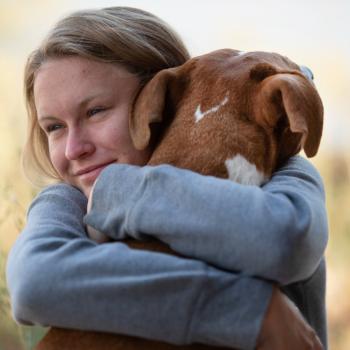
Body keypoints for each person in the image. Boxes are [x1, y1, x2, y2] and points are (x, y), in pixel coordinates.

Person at [6, 6, 328, 350]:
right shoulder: (68, 200)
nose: (73, 149)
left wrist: (120, 191)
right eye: (54, 127)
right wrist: (251, 312)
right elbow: (35, 285)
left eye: (95, 111)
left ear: (164, 97)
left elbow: (287, 242)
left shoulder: (275, 168)